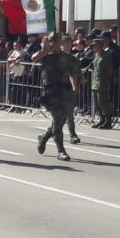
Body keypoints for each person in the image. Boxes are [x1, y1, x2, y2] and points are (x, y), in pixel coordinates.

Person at [33, 32, 79, 161]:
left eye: (60, 41)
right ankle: (61, 150)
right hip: (51, 93)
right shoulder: (45, 56)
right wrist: (44, 50)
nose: (58, 43)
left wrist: (75, 86)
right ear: (50, 42)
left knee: (60, 121)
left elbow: (73, 72)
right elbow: (33, 58)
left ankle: (44, 137)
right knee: (57, 120)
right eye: (55, 41)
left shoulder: (67, 58)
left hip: (65, 92)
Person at [91, 38, 113, 129]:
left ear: (100, 46)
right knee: (96, 103)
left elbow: (109, 71)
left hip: (102, 83)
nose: (93, 47)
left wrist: (107, 79)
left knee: (103, 102)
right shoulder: (96, 55)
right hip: (95, 82)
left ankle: (108, 121)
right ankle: (101, 119)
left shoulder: (105, 56)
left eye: (95, 46)